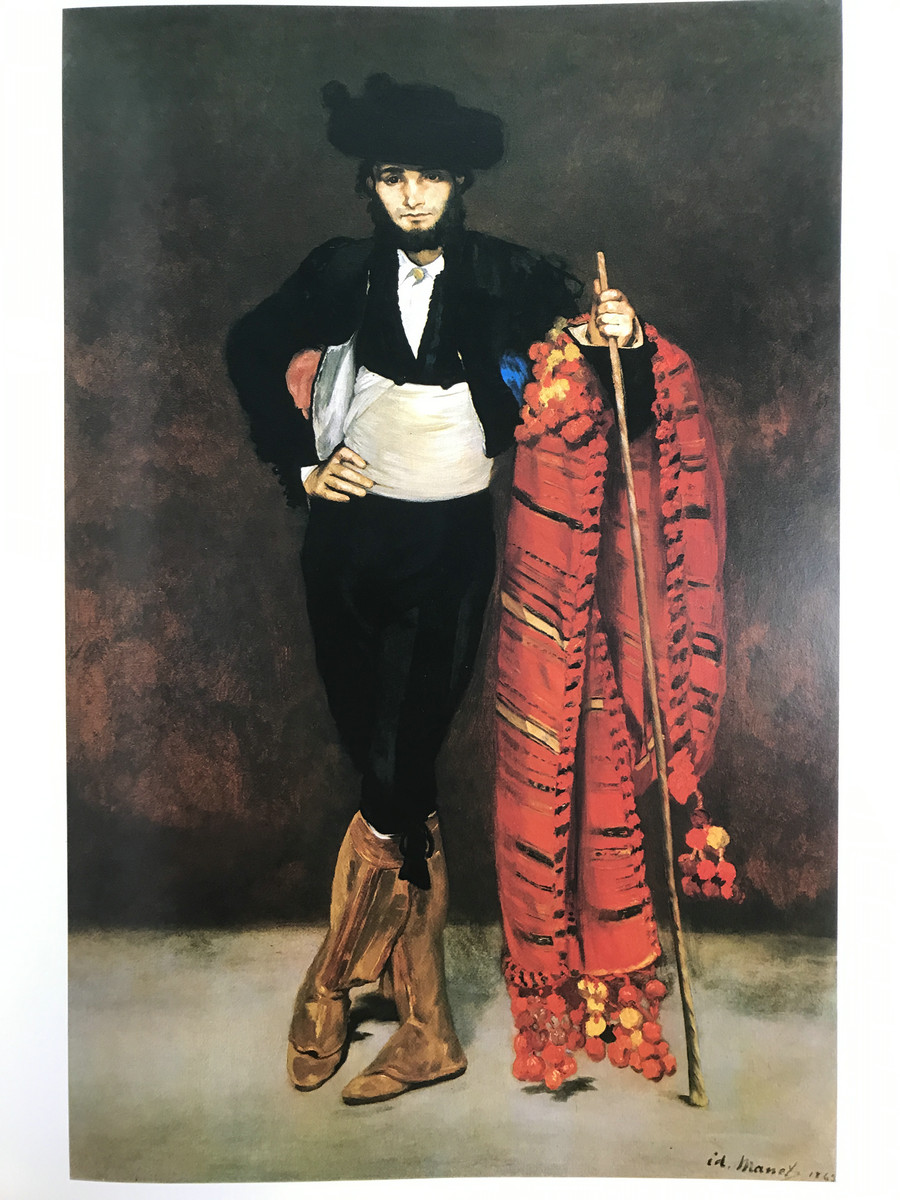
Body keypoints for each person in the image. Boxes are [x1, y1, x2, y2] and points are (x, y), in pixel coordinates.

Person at [226, 73, 659, 1106]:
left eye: (429, 176)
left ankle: (330, 982)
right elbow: (248, 348)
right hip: (343, 547)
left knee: (392, 777)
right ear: (370, 185)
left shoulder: (516, 275)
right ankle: (426, 1029)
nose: (411, 195)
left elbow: (623, 406)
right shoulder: (339, 269)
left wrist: (623, 339)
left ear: (461, 180)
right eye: (391, 176)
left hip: (450, 549)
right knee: (397, 783)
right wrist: (301, 466)